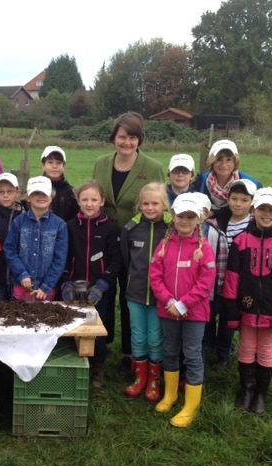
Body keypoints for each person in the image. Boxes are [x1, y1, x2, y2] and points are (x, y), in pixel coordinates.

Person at [92, 111, 165, 379]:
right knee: (106, 295)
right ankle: (101, 349)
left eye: (133, 137)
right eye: (122, 136)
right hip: (106, 242)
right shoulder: (100, 163)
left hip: (138, 245)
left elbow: (158, 207)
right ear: (114, 137)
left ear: (139, 140)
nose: (127, 142)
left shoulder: (153, 167)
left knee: (130, 298)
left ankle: (129, 355)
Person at [224, 187, 272, 416]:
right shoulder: (241, 241)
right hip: (246, 307)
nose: (266, 214)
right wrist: (232, 311)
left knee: (266, 349)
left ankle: (261, 395)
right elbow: (231, 279)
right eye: (262, 209)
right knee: (246, 348)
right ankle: (246, 390)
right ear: (253, 210)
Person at [151, 192, 216, 428]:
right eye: (181, 216)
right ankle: (170, 395)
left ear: (199, 219)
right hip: (168, 310)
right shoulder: (164, 245)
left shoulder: (204, 249)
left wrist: (184, 303)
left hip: (194, 313)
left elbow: (206, 282)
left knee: (191, 354)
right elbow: (155, 276)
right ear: (173, 216)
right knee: (170, 350)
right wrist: (170, 301)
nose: (185, 221)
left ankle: (191, 406)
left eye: (191, 216)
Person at [61, 180, 120, 387]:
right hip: (75, 286)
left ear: (102, 201)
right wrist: (66, 282)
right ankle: (73, 363)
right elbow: (63, 258)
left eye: (94, 199)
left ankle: (98, 365)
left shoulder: (110, 228)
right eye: (84, 199)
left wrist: (104, 283)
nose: (89, 204)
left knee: (97, 326)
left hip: (99, 289)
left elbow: (116, 260)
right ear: (78, 201)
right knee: (73, 323)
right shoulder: (68, 227)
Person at [120, 182, 170, 402]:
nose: (150, 208)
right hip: (136, 294)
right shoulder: (131, 228)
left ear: (165, 205)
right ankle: (140, 379)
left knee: (156, 338)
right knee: (138, 336)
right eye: (146, 203)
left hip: (162, 296)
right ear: (139, 205)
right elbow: (125, 260)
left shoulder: (172, 229)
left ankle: (154, 381)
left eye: (155, 203)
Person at [202, 179, 257, 371]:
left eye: (244, 200)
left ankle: (224, 354)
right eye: (234, 199)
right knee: (208, 314)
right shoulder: (218, 220)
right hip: (215, 279)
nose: (238, 204)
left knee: (228, 321)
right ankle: (208, 345)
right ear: (228, 198)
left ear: (252, 202)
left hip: (237, 284)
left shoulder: (254, 225)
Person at [4, 176, 68, 302]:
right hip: (21, 286)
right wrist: (22, 274)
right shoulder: (19, 222)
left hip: (46, 290)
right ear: (28, 197)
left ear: (51, 197)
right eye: (36, 193)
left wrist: (46, 286)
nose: (41, 196)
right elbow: (9, 250)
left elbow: (60, 259)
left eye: (45, 193)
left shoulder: (59, 225)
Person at [0, 173, 26, 302]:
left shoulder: (25, 217)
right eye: (1, 192)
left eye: (9, 191)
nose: (5, 195)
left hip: (21, 279)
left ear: (17, 193)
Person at [193, 139, 261, 212]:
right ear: (212, 161)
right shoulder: (201, 181)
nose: (224, 165)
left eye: (228, 160)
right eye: (219, 160)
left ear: (235, 162)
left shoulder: (253, 185)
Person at [40, 145, 79, 221]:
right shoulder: (35, 189)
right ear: (43, 166)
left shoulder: (71, 192)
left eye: (58, 163)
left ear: (64, 166)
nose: (54, 166)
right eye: (50, 162)